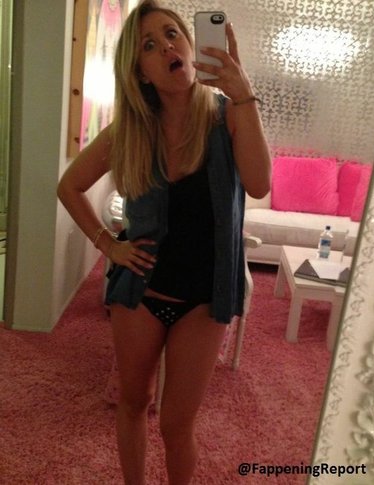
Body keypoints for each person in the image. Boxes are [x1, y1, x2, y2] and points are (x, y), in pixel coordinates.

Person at [57, 0, 271, 483]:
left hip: (204, 299)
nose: (167, 47)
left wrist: (244, 93)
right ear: (141, 72)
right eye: (149, 46)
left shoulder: (228, 115)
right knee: (134, 403)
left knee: (177, 424)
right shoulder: (131, 131)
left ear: (191, 45)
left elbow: (259, 185)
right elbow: (69, 187)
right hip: (141, 293)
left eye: (172, 34)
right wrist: (108, 244)